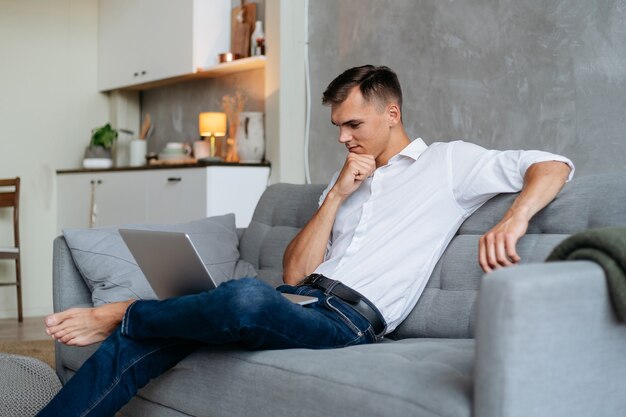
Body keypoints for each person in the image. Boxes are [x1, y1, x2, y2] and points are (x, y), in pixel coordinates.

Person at [38, 65, 573, 417]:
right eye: (338, 126)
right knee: (162, 334)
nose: (343, 138)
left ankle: (125, 310)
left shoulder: (449, 164)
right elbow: (294, 274)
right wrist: (337, 196)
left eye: (353, 124)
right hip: (298, 302)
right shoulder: (347, 183)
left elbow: (553, 164)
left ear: (393, 114)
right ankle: (129, 331)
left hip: (348, 324)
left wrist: (515, 218)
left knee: (243, 297)